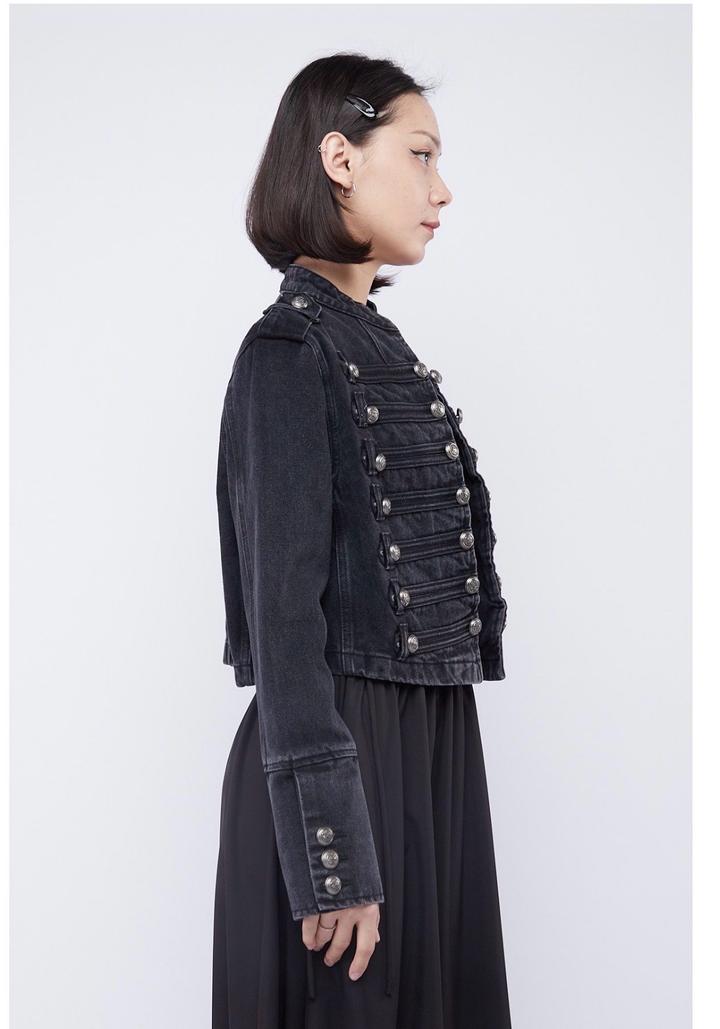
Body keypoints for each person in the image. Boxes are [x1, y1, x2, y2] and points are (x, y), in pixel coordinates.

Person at [212, 52, 512, 1029]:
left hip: (425, 754)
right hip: (346, 760)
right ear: (339, 159)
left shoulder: (374, 342)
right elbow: (283, 622)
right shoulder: (288, 352)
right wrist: (329, 852)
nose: (442, 189)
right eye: (421, 155)